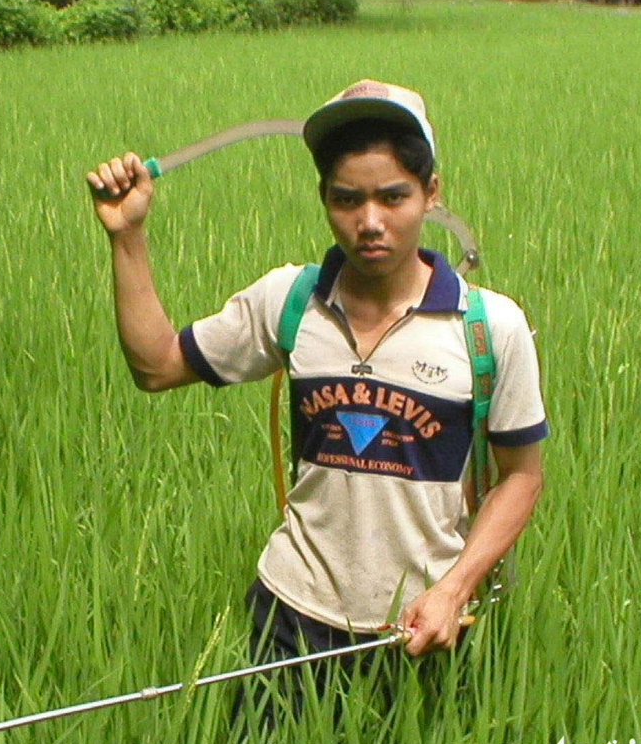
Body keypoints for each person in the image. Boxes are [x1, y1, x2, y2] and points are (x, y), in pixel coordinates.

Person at [85, 79, 546, 687]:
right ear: (324, 198)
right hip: (290, 615)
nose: (370, 222)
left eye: (393, 197)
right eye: (347, 200)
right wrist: (127, 237)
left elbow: (521, 474)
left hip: (423, 626)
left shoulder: (489, 328)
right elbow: (158, 367)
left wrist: (455, 588)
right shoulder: (292, 301)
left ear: (432, 193)